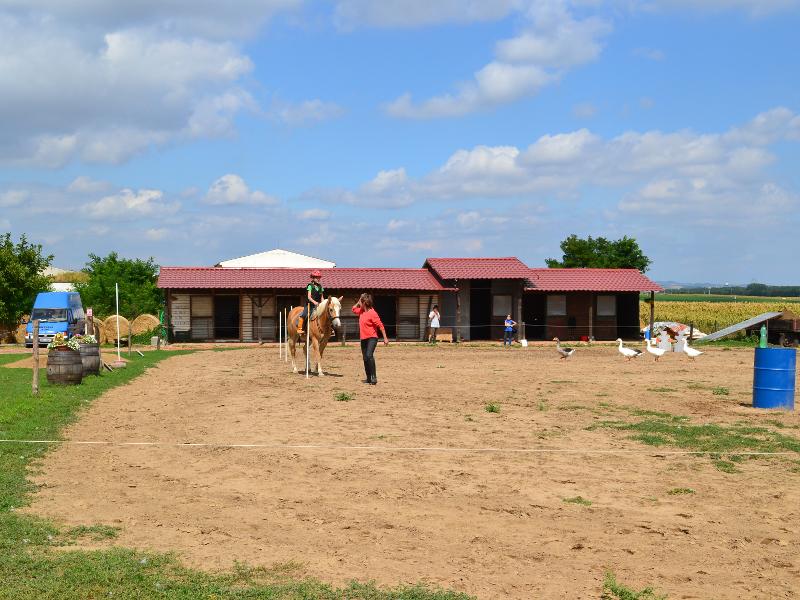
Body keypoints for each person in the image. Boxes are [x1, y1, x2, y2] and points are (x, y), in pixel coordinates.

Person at [352, 293, 389, 385]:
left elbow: (380, 326)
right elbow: (353, 309)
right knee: (365, 358)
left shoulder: (373, 313)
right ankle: (368, 378)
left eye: (361, 301)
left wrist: (385, 338)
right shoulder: (361, 311)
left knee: (369, 355)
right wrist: (359, 300)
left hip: (372, 338)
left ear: (364, 303)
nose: (359, 302)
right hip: (363, 338)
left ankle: (374, 377)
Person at [297, 270, 325, 335]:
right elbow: (309, 297)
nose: (318, 279)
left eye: (319, 277)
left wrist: (324, 303)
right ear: (313, 278)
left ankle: (329, 329)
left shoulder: (320, 287)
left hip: (318, 305)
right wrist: (315, 302)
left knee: (327, 313)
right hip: (310, 305)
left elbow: (322, 298)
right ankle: (299, 328)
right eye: (316, 277)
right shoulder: (310, 286)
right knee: (303, 314)